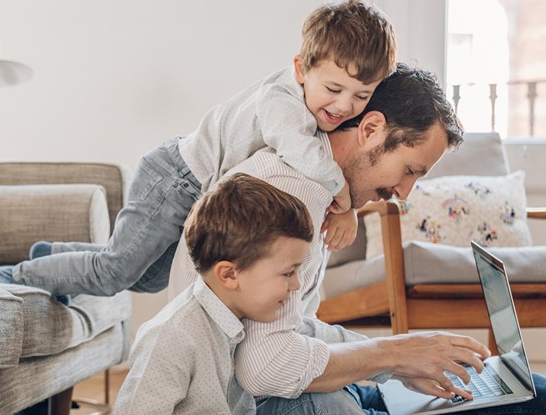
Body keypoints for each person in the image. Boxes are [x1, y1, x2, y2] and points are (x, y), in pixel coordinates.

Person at [167, 63, 546, 414]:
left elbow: (298, 328)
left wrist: (400, 361)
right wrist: (394, 354)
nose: (405, 192)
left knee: (534, 391)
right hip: (265, 403)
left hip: (297, 392)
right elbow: (265, 368)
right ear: (370, 129)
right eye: (410, 170)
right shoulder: (289, 194)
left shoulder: (320, 193)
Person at [0, 0, 397, 296]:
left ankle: (52, 253)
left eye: (361, 96)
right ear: (300, 70)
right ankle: (20, 276)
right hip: (172, 179)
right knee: (115, 272)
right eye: (333, 89)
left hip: (196, 193)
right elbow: (304, 153)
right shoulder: (281, 101)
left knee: (150, 278)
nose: (344, 106)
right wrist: (346, 203)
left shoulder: (326, 112)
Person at [114, 173, 314, 414]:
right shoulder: (172, 337)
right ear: (229, 275)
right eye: (288, 273)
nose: (296, 285)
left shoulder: (240, 316)